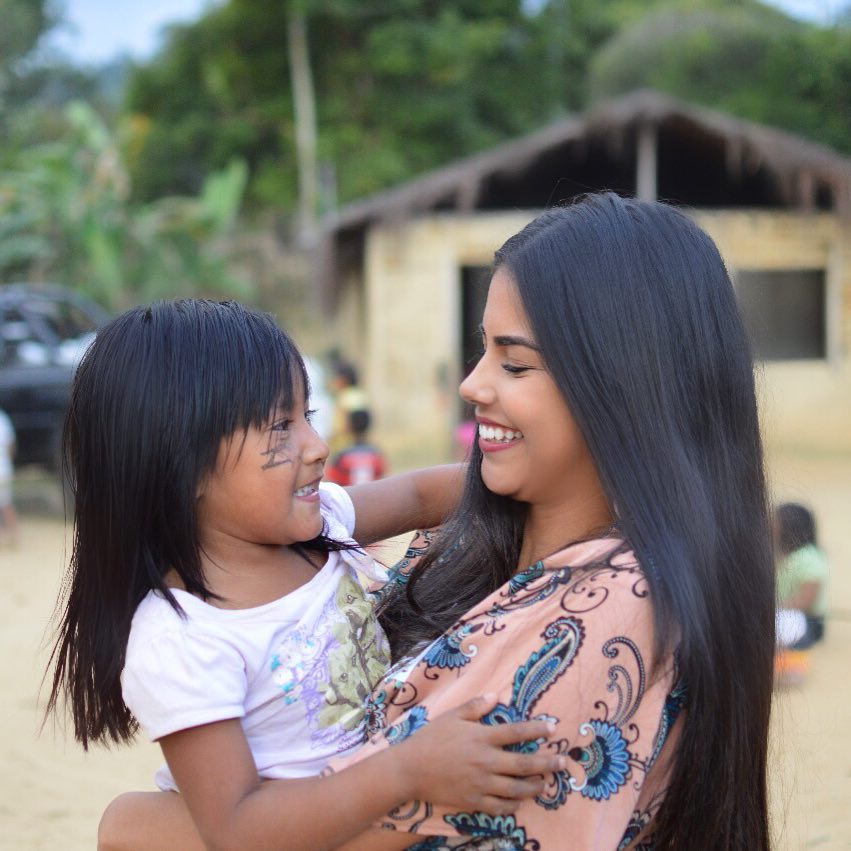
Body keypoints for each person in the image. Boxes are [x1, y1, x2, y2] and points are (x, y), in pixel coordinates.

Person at [99, 193, 776, 850]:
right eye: (482, 351)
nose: (473, 384)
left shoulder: (612, 604)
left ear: (623, 385)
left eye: (514, 362)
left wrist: (135, 823)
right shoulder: (476, 540)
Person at [45, 300, 563, 851]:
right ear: (184, 467)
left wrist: (549, 474)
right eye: (280, 427)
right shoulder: (184, 640)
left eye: (308, 418)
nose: (317, 448)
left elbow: (419, 494)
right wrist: (406, 771)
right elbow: (239, 827)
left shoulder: (319, 528)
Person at [775, 502, 828, 650]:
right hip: (784, 614)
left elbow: (805, 601)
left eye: (775, 521)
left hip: (808, 621)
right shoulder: (778, 554)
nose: (770, 526)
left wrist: (771, 608)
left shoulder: (809, 557)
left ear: (790, 526)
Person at [326, 408, 387, 486]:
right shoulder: (377, 454)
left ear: (350, 426)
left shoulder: (341, 456)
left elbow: (333, 483)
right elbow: (382, 480)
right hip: (373, 497)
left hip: (350, 496)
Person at [0, 406, 18, 545]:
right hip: (5, 469)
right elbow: (12, 446)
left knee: (6, 504)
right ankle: (13, 534)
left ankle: (11, 535)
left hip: (3, 468)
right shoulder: (4, 418)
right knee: (6, 503)